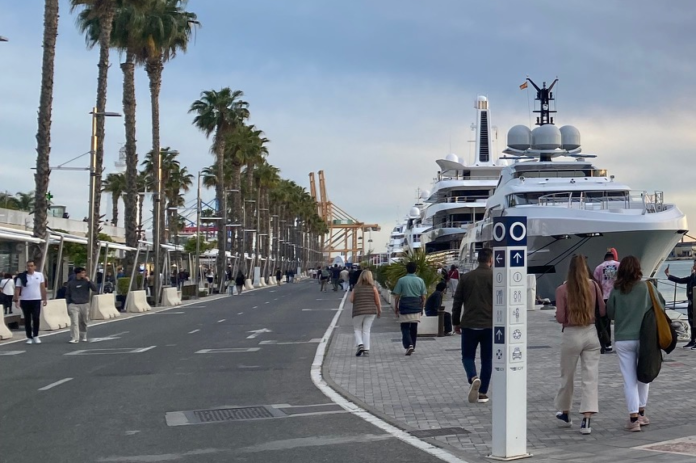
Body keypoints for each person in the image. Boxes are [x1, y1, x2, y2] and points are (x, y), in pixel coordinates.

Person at [608, 256, 663, 432]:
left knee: (629, 379)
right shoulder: (647, 287)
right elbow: (661, 305)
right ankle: (641, 413)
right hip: (645, 338)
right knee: (643, 376)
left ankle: (633, 419)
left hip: (624, 338)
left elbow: (610, 313)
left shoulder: (616, 290)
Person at [554, 255, 605, 435]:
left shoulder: (562, 289)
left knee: (567, 376)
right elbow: (602, 310)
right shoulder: (593, 286)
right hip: (590, 332)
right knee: (590, 377)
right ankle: (587, 419)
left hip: (571, 334)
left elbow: (560, 317)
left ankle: (565, 412)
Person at [452, 248, 493, 404]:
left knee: (467, 356)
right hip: (490, 324)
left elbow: (457, 302)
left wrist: (455, 322)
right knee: (487, 359)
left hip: (469, 323)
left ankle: (473, 377)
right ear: (491, 260)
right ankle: (482, 393)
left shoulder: (466, 277)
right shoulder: (496, 277)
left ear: (478, 260)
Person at [393, 261, 427, 356]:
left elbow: (397, 296)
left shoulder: (401, 280)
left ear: (406, 269)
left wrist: (396, 307)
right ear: (416, 270)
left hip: (405, 304)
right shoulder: (420, 280)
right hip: (416, 304)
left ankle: (409, 345)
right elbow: (423, 296)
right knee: (414, 327)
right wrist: (422, 307)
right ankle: (413, 345)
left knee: (404, 327)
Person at [13, 261, 47, 345]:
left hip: (36, 299)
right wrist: (16, 300)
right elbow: (17, 289)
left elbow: (42, 287)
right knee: (27, 319)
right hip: (25, 300)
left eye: (31, 266)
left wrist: (44, 298)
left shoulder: (39, 275)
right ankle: (29, 336)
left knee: (36, 317)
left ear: (34, 267)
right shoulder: (22, 277)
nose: (30, 267)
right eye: (28, 266)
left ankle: (36, 335)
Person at [665, 260, 696, 349]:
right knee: (691, 322)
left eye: (694, 265)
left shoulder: (694, 277)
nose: (693, 266)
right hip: (691, 303)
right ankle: (692, 340)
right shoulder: (691, 277)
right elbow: (680, 280)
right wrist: (668, 275)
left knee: (695, 322)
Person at [350, 270, 382, 357]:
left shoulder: (356, 287)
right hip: (371, 311)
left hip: (358, 311)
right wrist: (379, 310)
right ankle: (366, 349)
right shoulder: (373, 287)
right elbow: (377, 301)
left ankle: (360, 344)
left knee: (357, 329)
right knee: (366, 330)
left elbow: (351, 300)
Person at [594, 251, 619, 353]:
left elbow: (597, 283)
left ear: (605, 258)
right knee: (620, 320)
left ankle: (607, 344)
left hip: (604, 296)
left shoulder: (599, 267)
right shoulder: (619, 265)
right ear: (613, 257)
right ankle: (621, 342)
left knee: (605, 322)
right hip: (618, 296)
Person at [65, 267, 97, 343]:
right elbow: (67, 293)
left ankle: (83, 334)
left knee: (84, 321)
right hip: (74, 304)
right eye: (82, 272)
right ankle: (75, 337)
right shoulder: (71, 283)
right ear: (78, 274)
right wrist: (69, 302)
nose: (84, 274)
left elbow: (95, 289)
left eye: (84, 272)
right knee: (74, 322)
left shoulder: (86, 281)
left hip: (84, 303)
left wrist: (89, 281)